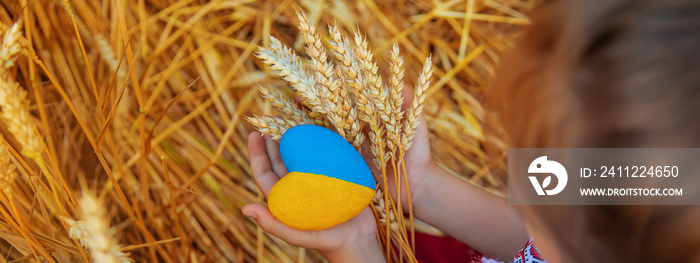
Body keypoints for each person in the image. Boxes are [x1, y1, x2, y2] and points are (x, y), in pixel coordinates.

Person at [242, 0, 700, 262]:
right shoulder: (664, 188)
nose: (521, 179)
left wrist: (358, 248)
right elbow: (532, 238)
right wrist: (423, 187)